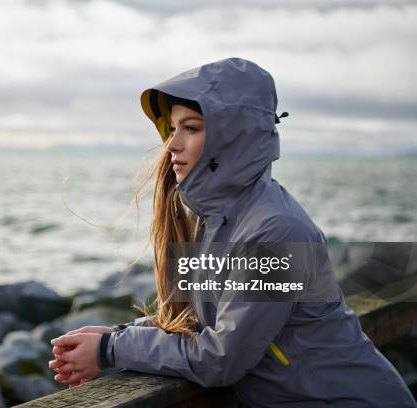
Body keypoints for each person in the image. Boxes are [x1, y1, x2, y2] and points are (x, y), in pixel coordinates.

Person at [48, 57, 417, 407]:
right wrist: (117, 333)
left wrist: (111, 350)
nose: (172, 144)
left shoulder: (277, 233)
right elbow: (204, 316)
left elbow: (220, 359)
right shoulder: (218, 219)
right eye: (173, 128)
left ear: (233, 137)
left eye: (190, 128)